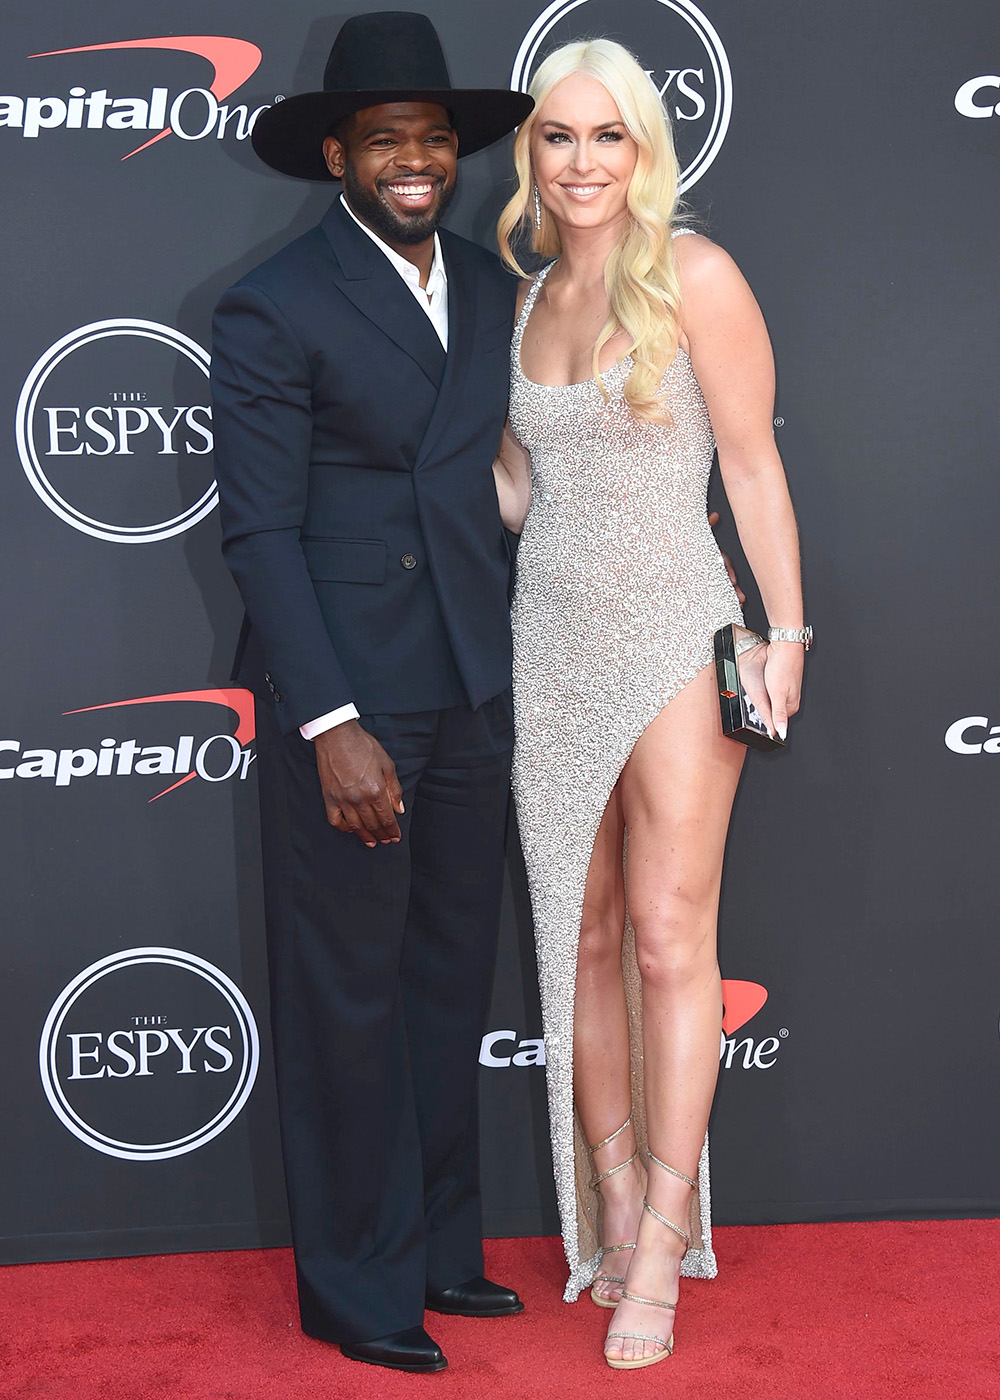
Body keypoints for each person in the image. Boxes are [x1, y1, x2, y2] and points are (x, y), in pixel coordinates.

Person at [209, 11, 534, 1375]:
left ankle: (440, 1250)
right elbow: (259, 533)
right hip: (351, 700)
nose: (416, 159)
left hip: (473, 683)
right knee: (351, 991)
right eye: (387, 138)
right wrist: (329, 722)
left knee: (448, 984)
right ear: (337, 152)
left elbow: (506, 475)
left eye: (435, 137)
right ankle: (356, 1285)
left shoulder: (492, 279)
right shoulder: (273, 302)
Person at [492, 39, 809, 1371]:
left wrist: (784, 631)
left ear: (644, 150)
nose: (580, 163)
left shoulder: (696, 276)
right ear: (532, 157)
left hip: (677, 634)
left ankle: (667, 1248)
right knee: (582, 939)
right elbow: (518, 488)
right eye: (558, 139)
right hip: (544, 642)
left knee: (677, 939)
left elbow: (749, 465)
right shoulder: (523, 300)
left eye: (606, 137)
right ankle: (615, 1203)